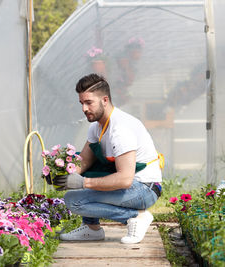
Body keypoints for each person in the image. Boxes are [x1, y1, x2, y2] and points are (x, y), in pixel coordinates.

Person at [52, 73, 162, 244]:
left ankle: (136, 217)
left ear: (104, 100)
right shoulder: (97, 127)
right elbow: (85, 161)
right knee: (78, 189)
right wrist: (62, 173)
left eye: (89, 102)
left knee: (74, 200)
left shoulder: (121, 130)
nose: (84, 109)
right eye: (81, 103)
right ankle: (91, 228)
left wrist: (82, 183)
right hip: (133, 185)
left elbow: (125, 179)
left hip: (144, 188)